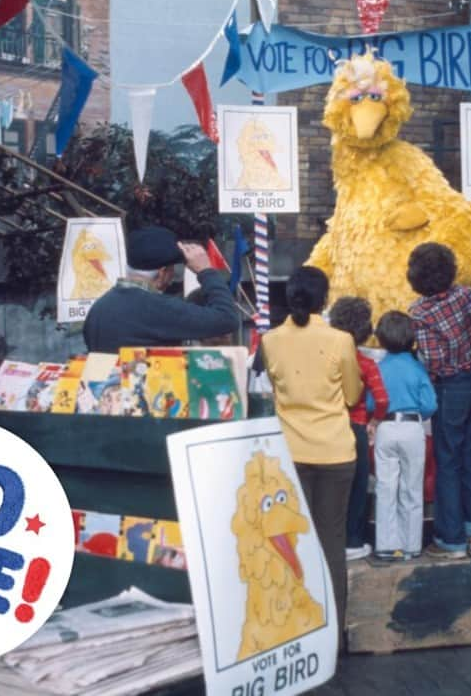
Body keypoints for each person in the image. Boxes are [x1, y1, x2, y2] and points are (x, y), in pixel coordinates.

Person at [261, 266, 362, 633]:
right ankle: (332, 635)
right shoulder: (340, 340)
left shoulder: (270, 340)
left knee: (290, 543)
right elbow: (352, 395)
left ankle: (295, 631)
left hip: (289, 452)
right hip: (335, 452)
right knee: (331, 542)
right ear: (324, 298)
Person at [407, 243, 471, 557]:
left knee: (448, 461)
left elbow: (434, 361)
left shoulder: (420, 312)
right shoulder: (468, 296)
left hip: (449, 386)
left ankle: (452, 539)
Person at [83, 226, 240, 352]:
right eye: (172, 271)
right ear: (162, 273)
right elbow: (227, 319)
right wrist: (206, 271)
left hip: (107, 390)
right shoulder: (158, 308)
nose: (171, 279)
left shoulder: (98, 309)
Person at [371, 311, 437, 560]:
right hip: (412, 427)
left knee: (386, 486)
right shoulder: (418, 368)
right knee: (412, 487)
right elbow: (430, 404)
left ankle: (386, 545)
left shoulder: (379, 368)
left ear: (380, 338)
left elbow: (369, 402)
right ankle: (411, 545)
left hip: (385, 427)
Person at [328, 296, 389, 562]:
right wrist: (375, 420)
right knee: (359, 485)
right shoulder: (366, 363)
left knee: (331, 486)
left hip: (329, 426)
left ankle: (331, 540)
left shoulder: (326, 360)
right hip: (358, 426)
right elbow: (383, 399)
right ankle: (353, 540)